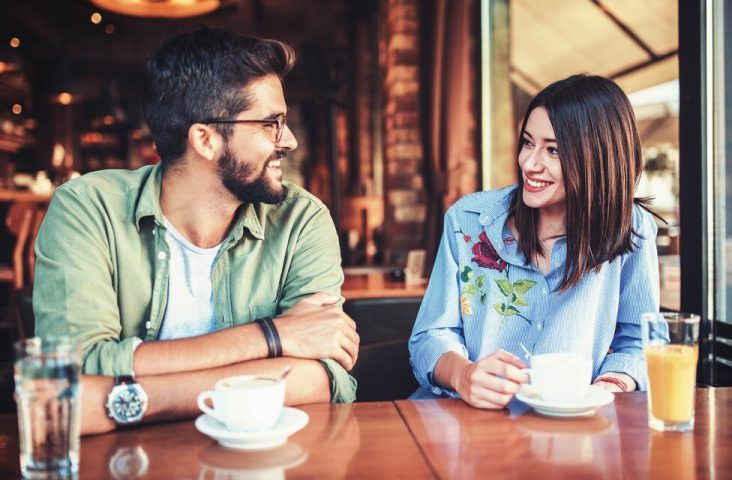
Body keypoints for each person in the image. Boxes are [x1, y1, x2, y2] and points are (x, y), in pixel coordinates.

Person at [34, 29, 359, 432]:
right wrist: (271, 337)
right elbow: (72, 369)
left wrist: (130, 399)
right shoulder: (88, 208)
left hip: (258, 456)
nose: (288, 141)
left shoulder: (300, 219)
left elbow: (324, 376)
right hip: (122, 459)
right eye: (269, 124)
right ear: (205, 140)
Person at [409, 74, 659, 409]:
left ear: (598, 158)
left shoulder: (631, 228)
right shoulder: (467, 220)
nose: (528, 163)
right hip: (466, 420)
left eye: (553, 150)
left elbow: (642, 343)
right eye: (528, 143)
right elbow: (428, 337)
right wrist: (463, 375)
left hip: (573, 428)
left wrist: (608, 386)